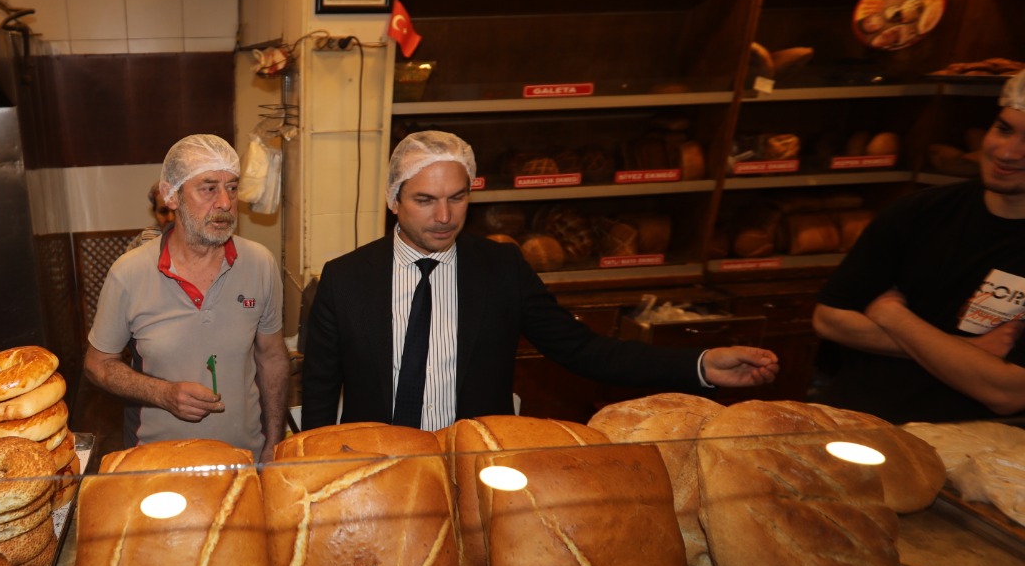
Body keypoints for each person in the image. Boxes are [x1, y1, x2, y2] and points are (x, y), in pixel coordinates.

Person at [301, 131, 778, 430]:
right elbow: (321, 390)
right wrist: (318, 469)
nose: (444, 217)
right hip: (378, 460)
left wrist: (698, 365)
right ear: (393, 200)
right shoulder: (346, 279)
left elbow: (583, 349)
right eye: (425, 200)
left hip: (475, 461)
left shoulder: (501, 270)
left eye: (457, 198)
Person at [811, 71, 1025, 423]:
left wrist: (892, 316)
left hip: (975, 447)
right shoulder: (917, 212)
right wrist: (969, 352)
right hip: (856, 421)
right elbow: (830, 320)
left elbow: (1008, 392)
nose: (1007, 152)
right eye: (1003, 129)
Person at [85, 134, 289, 460]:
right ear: (171, 196)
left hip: (243, 458)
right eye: (209, 188)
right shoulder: (129, 273)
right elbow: (97, 365)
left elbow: (273, 357)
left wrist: (274, 442)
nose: (225, 202)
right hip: (157, 465)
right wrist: (162, 393)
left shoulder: (260, 264)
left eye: (232, 188)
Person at [127, 179, 176, 251]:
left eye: (176, 211)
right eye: (163, 211)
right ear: (155, 213)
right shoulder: (146, 238)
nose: (170, 218)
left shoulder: (195, 238)